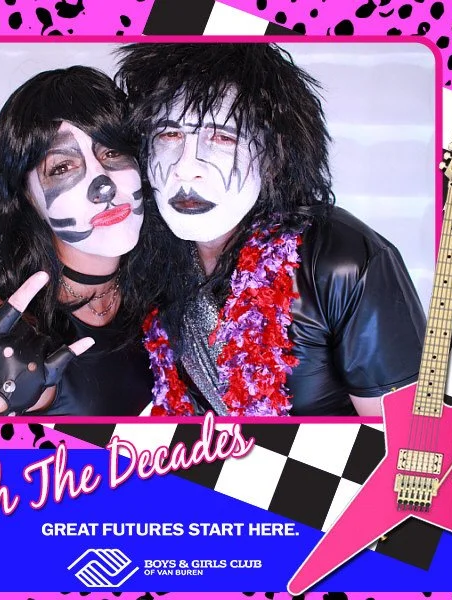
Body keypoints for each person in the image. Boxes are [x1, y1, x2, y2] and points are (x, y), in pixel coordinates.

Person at [116, 43, 424, 417]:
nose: (185, 167)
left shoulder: (342, 260)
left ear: (274, 156)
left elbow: (407, 438)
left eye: (222, 137)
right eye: (169, 135)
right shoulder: (146, 256)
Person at [0, 66, 157, 417]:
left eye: (112, 152)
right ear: (27, 198)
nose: (104, 186)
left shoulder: (159, 278)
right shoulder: (8, 325)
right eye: (62, 167)